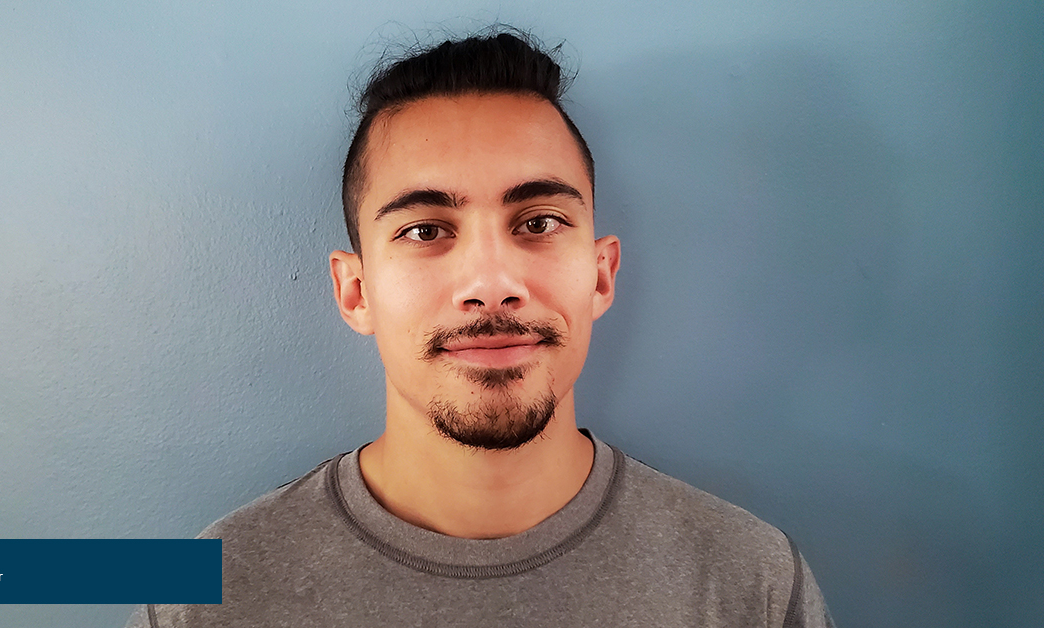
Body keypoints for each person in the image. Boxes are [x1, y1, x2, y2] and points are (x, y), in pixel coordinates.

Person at [129, 29, 833, 627]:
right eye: (426, 229)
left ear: (599, 276)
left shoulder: (751, 587)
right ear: (355, 292)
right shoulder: (205, 601)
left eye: (538, 223)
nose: (491, 282)